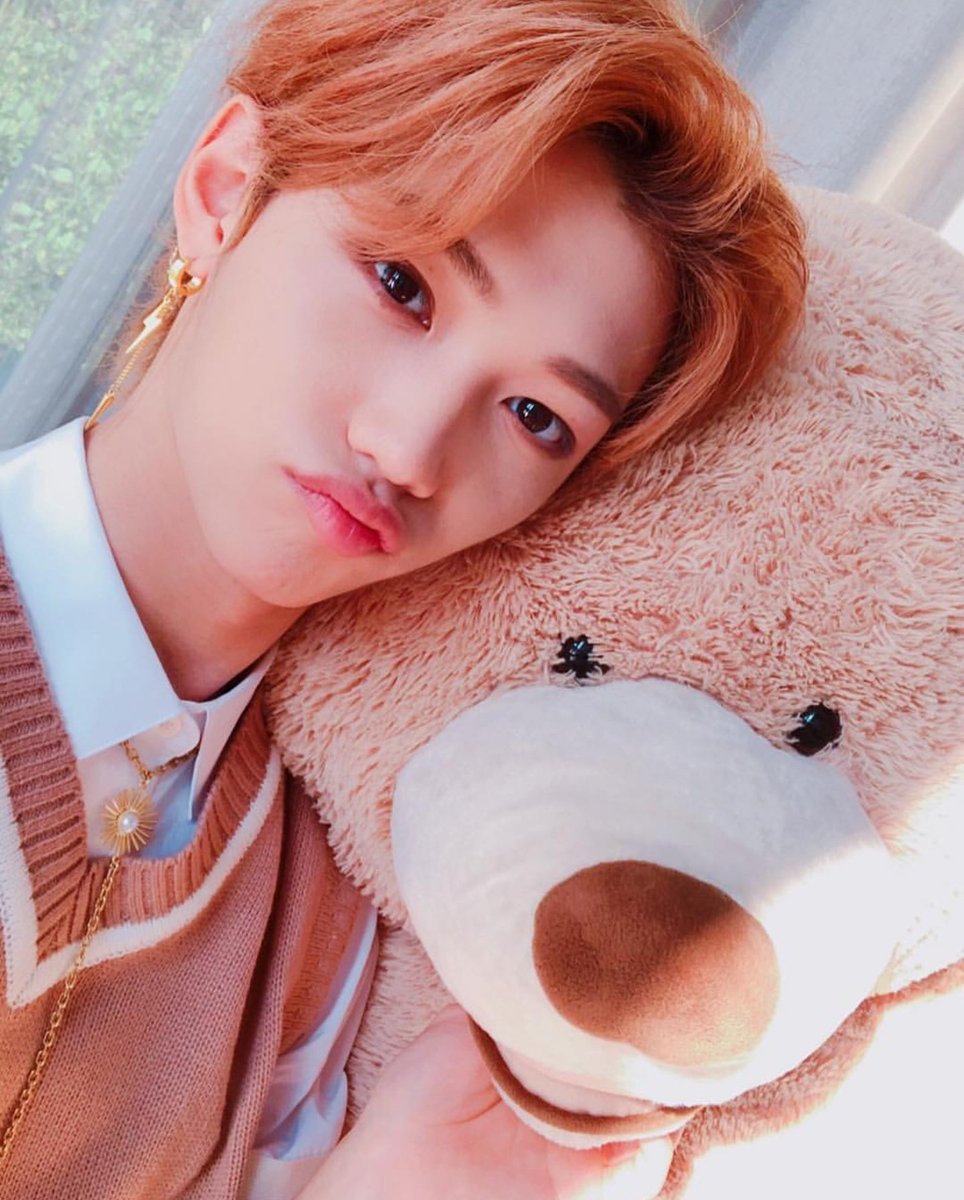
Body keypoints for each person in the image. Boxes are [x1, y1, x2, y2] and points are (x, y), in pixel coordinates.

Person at [0, 1, 806, 1197]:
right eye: (401, 284)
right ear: (225, 190)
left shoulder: (337, 899)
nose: (410, 448)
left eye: (535, 417)